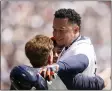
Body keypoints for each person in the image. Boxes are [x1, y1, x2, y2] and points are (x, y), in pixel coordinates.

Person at [39, 8, 109, 90]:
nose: (56, 34)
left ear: (76, 30)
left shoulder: (83, 48)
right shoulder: (68, 43)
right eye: (54, 29)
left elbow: (81, 60)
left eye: (62, 30)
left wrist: (57, 66)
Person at [10, 34, 105, 90]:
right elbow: (101, 82)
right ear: (50, 57)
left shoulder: (20, 79)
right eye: (54, 52)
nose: (57, 55)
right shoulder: (67, 78)